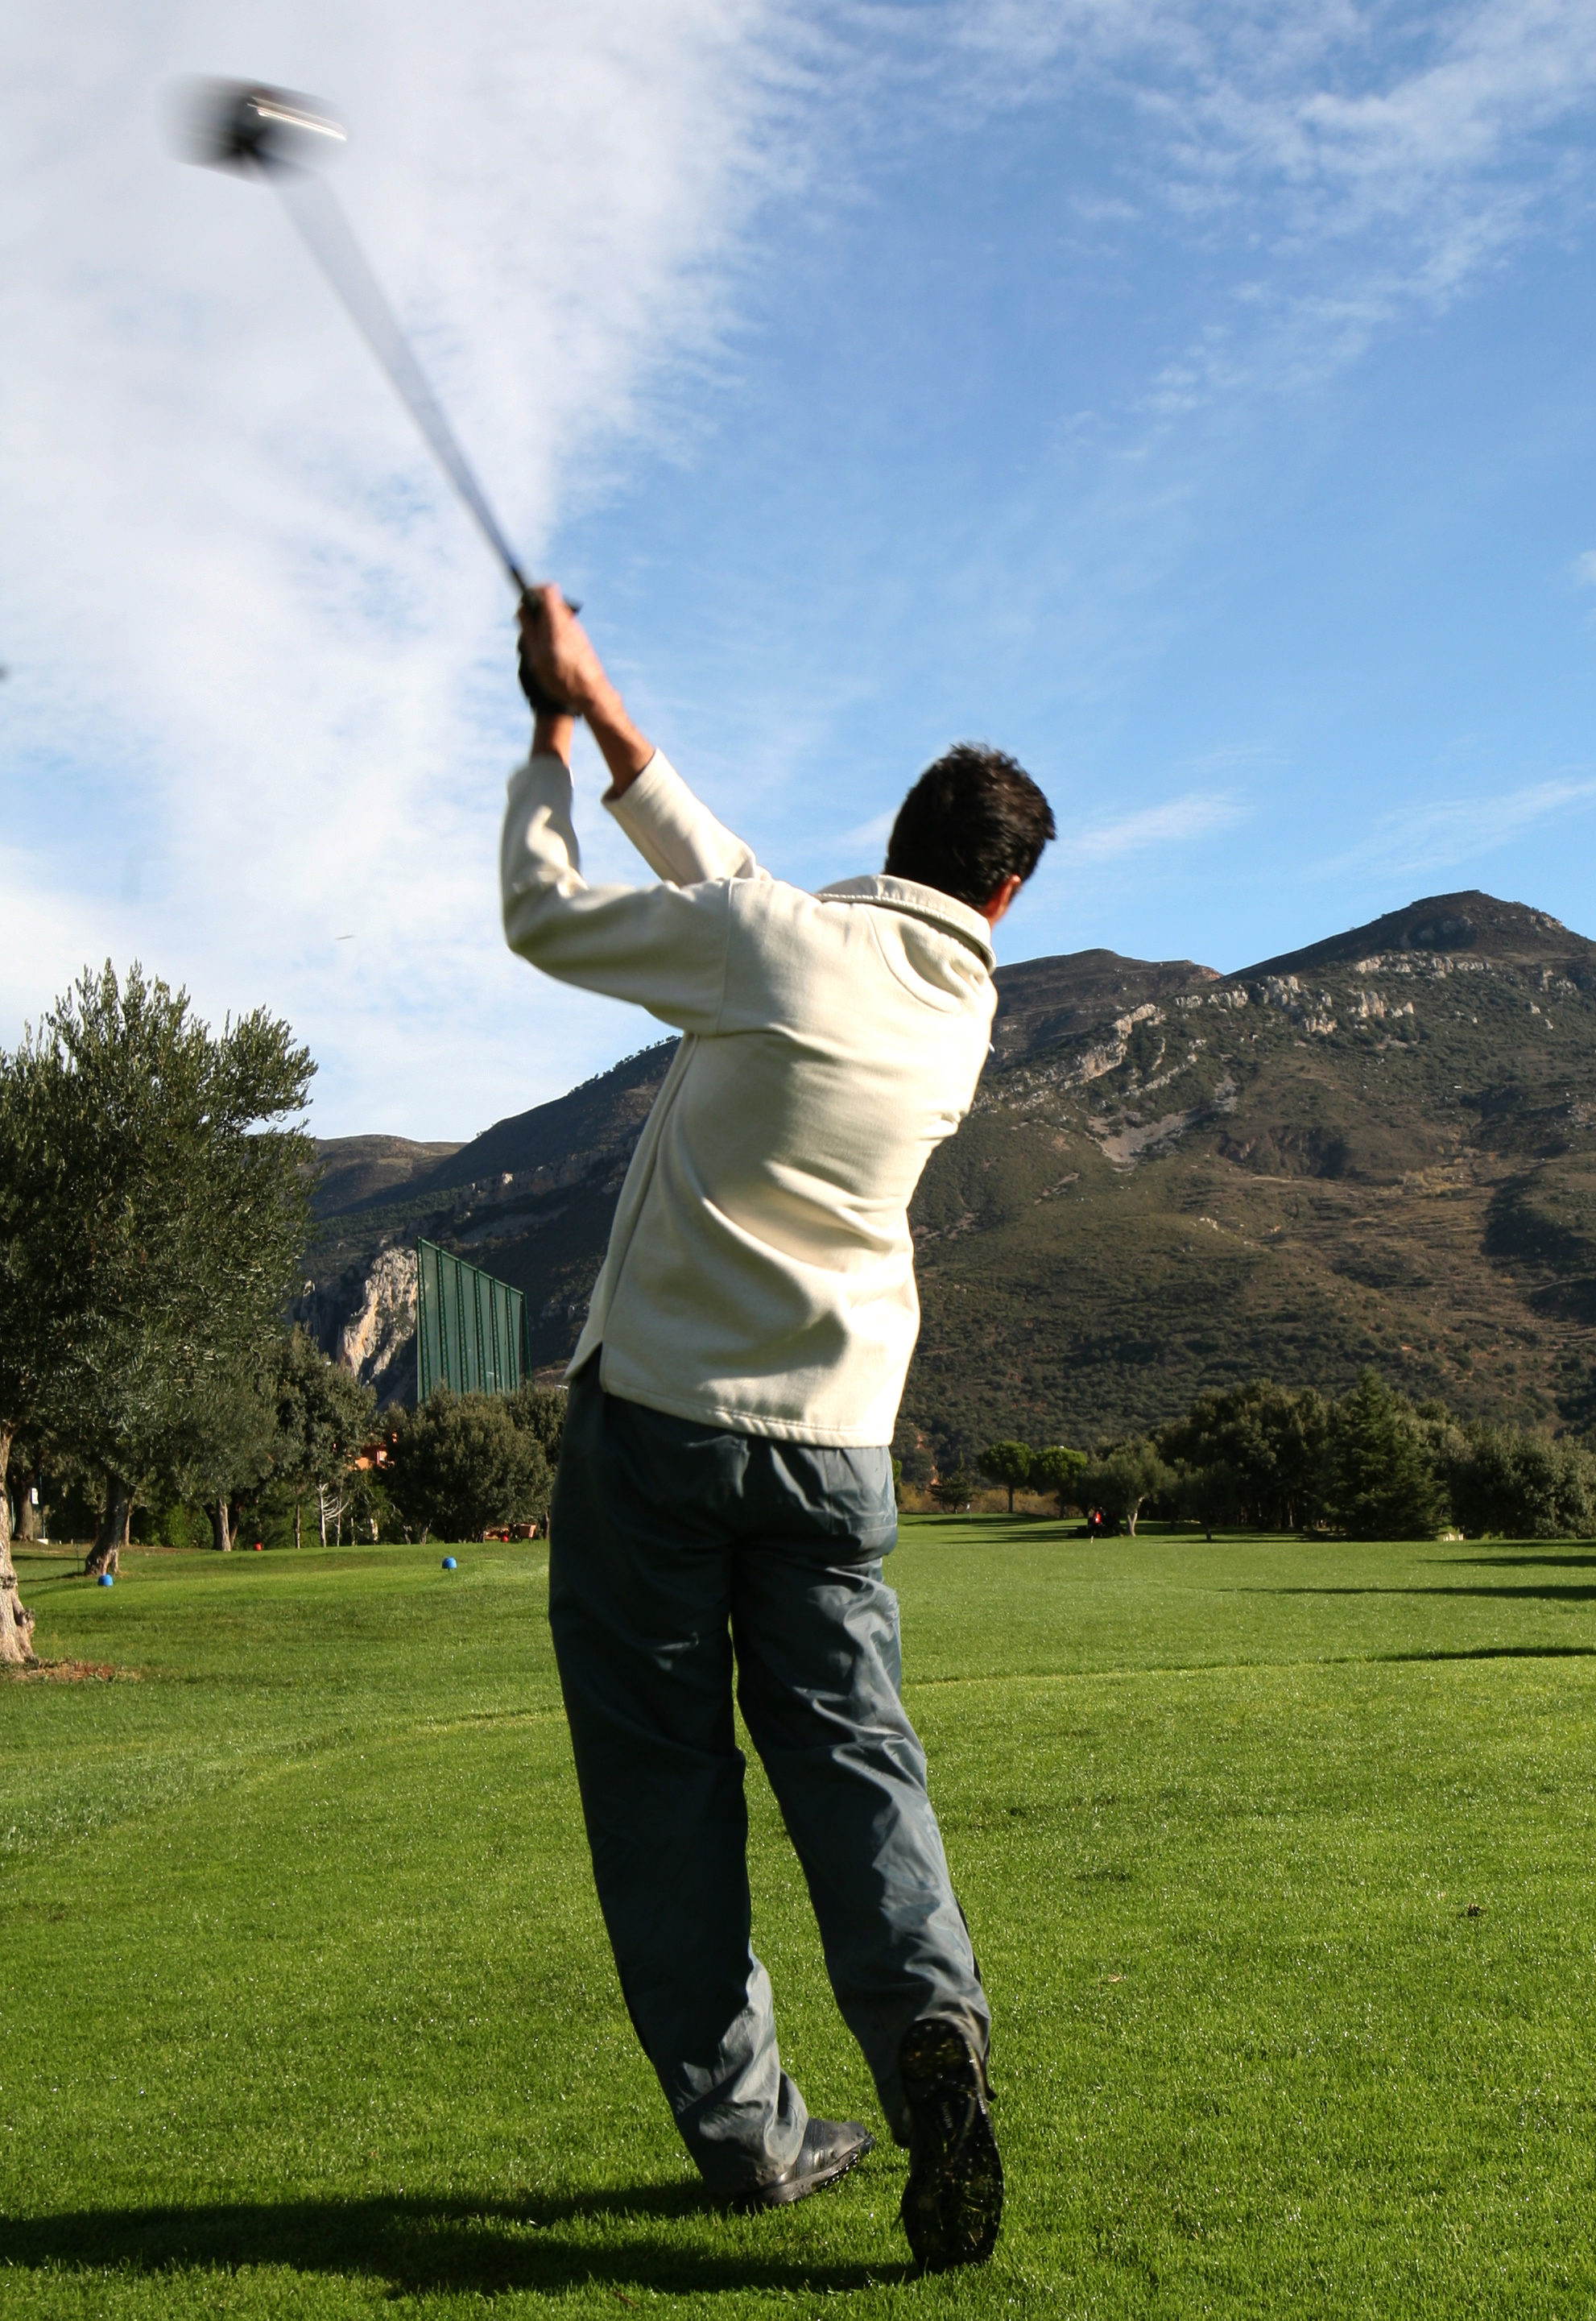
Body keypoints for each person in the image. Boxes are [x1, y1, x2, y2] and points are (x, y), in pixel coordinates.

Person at [504, 588, 1052, 2269]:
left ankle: (750, 2136)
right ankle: (930, 2035)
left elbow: (549, 912)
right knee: (857, 1764)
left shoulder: (777, 942)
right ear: (1005, 897)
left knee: (665, 1795)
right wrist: (607, 710)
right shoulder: (955, 1015)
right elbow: (730, 875)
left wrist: (547, 729)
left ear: (888, 840)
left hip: (659, 1434)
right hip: (835, 1455)